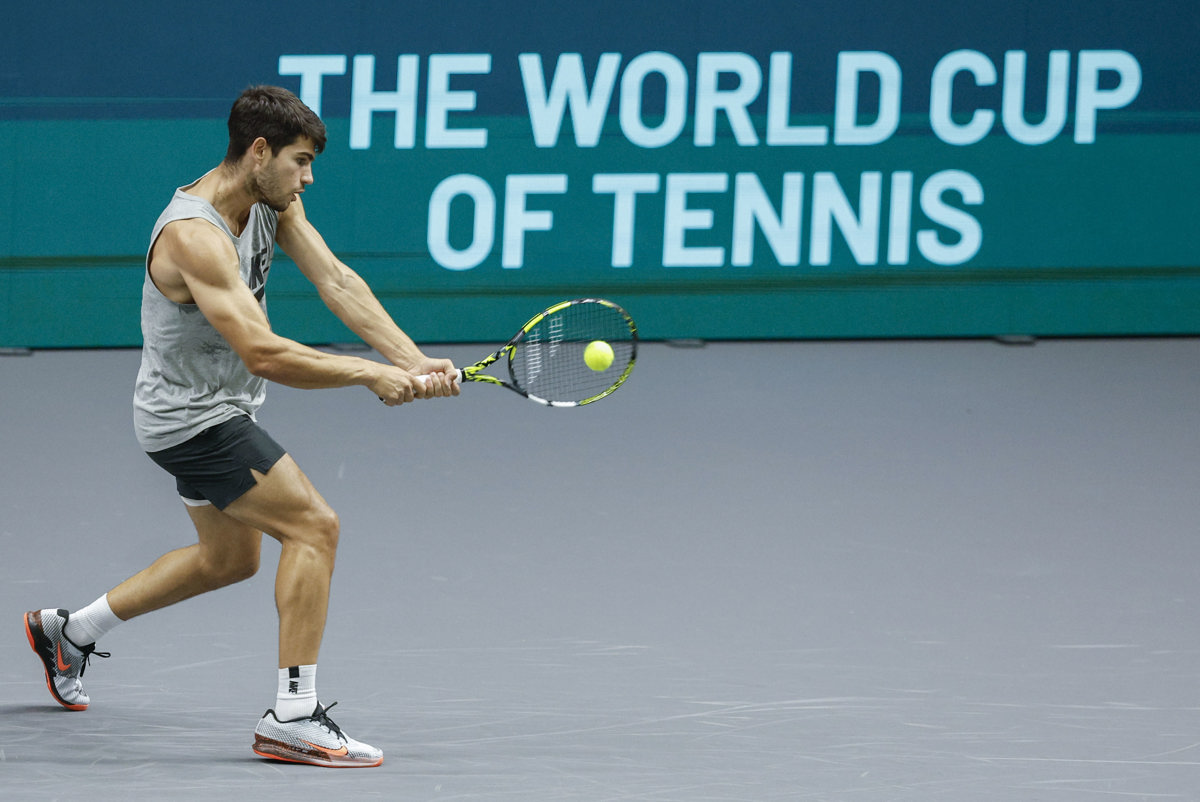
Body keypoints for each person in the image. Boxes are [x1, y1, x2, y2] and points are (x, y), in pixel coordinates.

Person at [23, 85, 458, 768]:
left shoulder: (272, 199)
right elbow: (263, 351)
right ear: (259, 151)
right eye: (301, 160)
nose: (307, 177)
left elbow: (336, 280)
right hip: (192, 420)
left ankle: (68, 633)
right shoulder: (193, 236)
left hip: (218, 405)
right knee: (314, 526)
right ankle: (292, 716)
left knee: (230, 561)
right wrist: (370, 375)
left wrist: (410, 359)